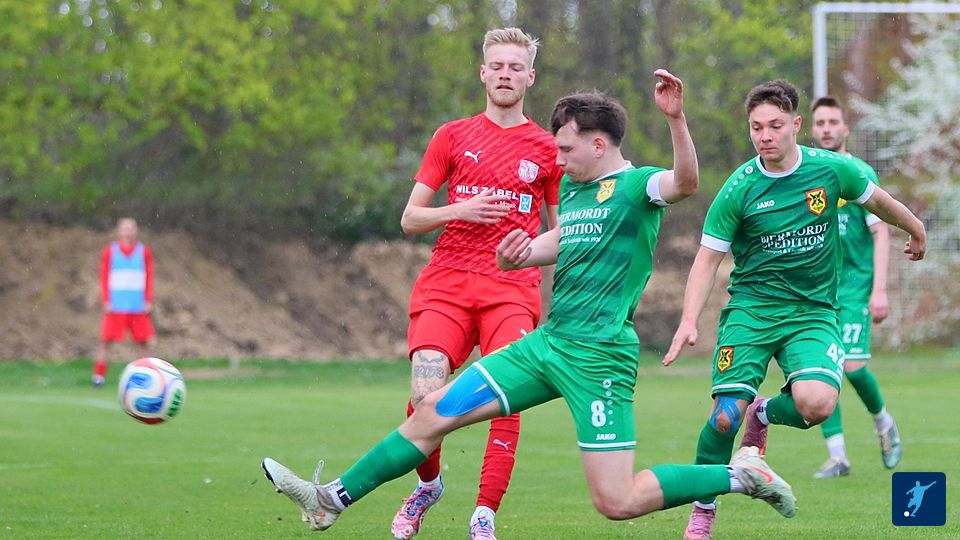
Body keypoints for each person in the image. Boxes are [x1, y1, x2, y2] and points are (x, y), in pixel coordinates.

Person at [262, 71, 800, 536]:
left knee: (616, 501)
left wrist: (676, 120)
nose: (556, 159)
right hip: (547, 346)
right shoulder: (577, 189)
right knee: (432, 411)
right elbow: (565, 240)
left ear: (598, 145)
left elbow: (685, 182)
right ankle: (330, 499)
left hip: (599, 358)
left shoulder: (638, 186)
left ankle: (740, 476)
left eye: (565, 150)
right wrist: (520, 254)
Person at [662, 80, 925, 540]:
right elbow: (707, 259)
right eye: (756, 127)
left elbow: (880, 203)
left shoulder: (832, 170)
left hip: (812, 312)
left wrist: (916, 228)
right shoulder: (740, 187)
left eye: (775, 125)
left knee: (817, 404)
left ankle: (763, 414)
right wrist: (688, 319)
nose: (765, 136)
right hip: (752, 311)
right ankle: (703, 511)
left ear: (796, 125)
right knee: (724, 416)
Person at [392, 27, 562, 540]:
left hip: (512, 287)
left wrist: (543, 271)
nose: (506, 75)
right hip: (447, 280)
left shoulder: (548, 148)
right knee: (424, 394)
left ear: (530, 78)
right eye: (498, 66)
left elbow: (563, 232)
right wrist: (459, 209)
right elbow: (410, 218)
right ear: (483, 73)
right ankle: (428, 486)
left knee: (506, 395)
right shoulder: (452, 135)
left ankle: (484, 513)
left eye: (516, 68)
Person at [809, 95, 902, 478]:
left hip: (854, 289)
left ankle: (883, 421)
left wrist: (879, 290)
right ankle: (838, 456)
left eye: (833, 121)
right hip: (818, 293)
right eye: (820, 122)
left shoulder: (859, 172)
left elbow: (881, 233)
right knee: (820, 370)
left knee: (853, 367)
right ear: (812, 129)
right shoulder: (807, 174)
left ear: (845, 128)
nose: (827, 128)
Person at [92, 217, 155, 387]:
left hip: (137, 306)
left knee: (144, 343)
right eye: (124, 228)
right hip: (116, 306)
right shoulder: (110, 251)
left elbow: (149, 276)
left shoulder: (144, 251)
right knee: (106, 342)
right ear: (118, 231)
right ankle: (98, 377)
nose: (128, 231)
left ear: (136, 231)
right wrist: (106, 300)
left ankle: (146, 378)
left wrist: (148, 300)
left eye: (131, 228)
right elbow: (104, 276)